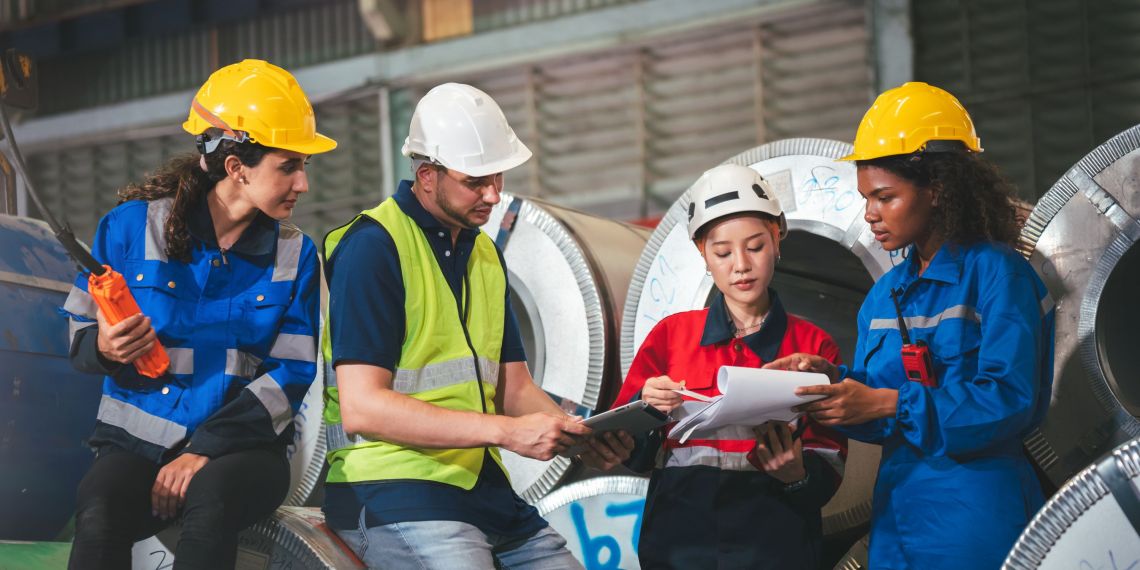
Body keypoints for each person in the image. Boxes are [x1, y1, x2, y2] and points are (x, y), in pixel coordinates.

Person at [321, 82, 633, 569]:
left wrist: (577, 438)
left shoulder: (484, 251)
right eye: (475, 181)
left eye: (498, 177)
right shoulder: (372, 248)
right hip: (393, 489)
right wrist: (507, 433)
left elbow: (514, 385)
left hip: (482, 489)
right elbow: (362, 407)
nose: (493, 194)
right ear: (427, 175)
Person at [767, 82, 1056, 569]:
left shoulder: (997, 274)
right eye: (866, 198)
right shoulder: (886, 293)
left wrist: (888, 403)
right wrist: (829, 381)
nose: (870, 215)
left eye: (885, 197)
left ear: (938, 189)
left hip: (976, 519)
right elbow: (880, 404)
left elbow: (1010, 400)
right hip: (897, 519)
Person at [59, 60, 333, 568]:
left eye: (304, 167)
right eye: (288, 166)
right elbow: (79, 331)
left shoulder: (295, 255)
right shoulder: (128, 228)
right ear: (237, 167)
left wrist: (204, 448)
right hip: (136, 446)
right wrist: (103, 346)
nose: (302, 184)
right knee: (98, 507)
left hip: (241, 452)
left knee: (212, 500)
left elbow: (293, 373)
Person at [612, 164, 848, 569]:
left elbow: (827, 467)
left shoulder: (812, 346)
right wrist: (646, 405)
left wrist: (796, 474)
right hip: (679, 551)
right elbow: (626, 452)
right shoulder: (671, 337)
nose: (740, 264)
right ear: (702, 253)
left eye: (755, 246)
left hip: (776, 550)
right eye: (722, 252)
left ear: (778, 238)